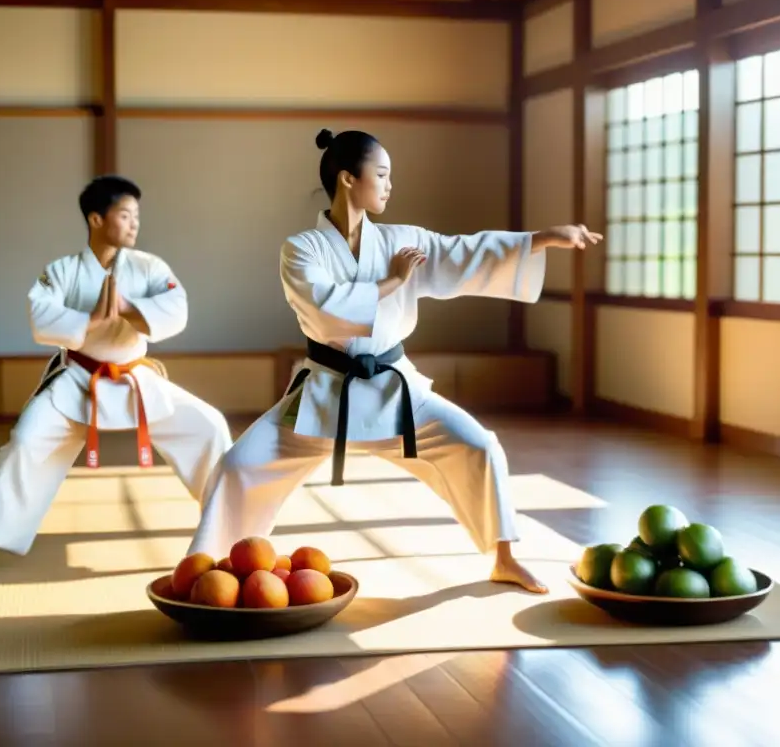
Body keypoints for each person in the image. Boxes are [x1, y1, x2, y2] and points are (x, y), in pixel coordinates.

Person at [185, 129, 601, 594]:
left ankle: (504, 558)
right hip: (324, 392)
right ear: (347, 178)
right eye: (381, 174)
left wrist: (543, 239)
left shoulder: (402, 239)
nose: (388, 186)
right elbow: (325, 309)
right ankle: (215, 568)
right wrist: (393, 281)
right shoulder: (301, 249)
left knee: (479, 446)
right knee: (240, 464)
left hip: (395, 389)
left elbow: (463, 251)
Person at [0, 175, 234, 579]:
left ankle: (227, 536)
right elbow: (40, 318)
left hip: (135, 378)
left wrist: (129, 307)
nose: (134, 224)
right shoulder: (60, 272)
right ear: (96, 219)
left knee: (210, 426)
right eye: (125, 215)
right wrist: (90, 319)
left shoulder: (150, 267)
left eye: (136, 216)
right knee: (23, 443)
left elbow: (176, 308)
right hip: (78, 380)